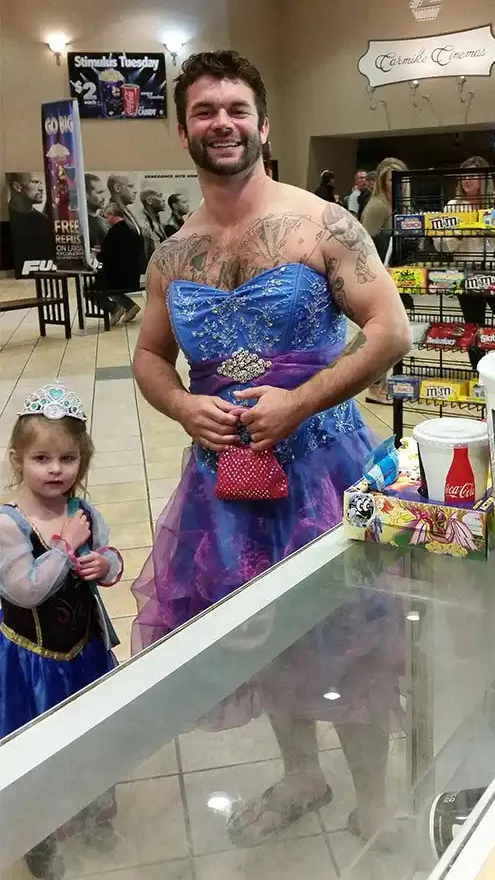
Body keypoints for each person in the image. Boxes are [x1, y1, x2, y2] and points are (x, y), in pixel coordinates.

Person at [130, 49, 410, 843]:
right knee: (265, 634)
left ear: (263, 125)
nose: (221, 122)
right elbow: (148, 356)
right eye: (204, 110)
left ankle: (374, 798)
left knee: (351, 635)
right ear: (183, 130)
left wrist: (301, 401)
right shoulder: (172, 253)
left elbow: (389, 330)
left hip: (323, 466)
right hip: (224, 482)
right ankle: (301, 772)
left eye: (236, 109)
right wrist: (183, 404)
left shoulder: (322, 223)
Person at [0, 383, 123, 877]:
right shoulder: (9, 525)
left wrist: (105, 564)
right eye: (41, 459)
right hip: (32, 661)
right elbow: (24, 591)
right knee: (41, 744)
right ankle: (40, 833)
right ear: (18, 460)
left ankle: (91, 813)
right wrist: (65, 547)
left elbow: (110, 558)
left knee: (89, 734)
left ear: (82, 460)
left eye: (68, 458)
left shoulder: (84, 513)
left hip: (85, 652)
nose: (56, 470)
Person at [433, 156, 495, 366]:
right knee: (473, 328)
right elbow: (440, 245)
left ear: (485, 178)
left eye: (472, 175)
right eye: (463, 176)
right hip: (466, 277)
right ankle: (478, 370)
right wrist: (458, 236)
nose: (467, 180)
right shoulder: (453, 207)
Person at [361, 158, 411, 405]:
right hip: (378, 278)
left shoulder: (401, 206)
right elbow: (363, 243)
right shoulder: (378, 206)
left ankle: (383, 383)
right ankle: (375, 386)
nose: (398, 184)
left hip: (397, 276)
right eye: (392, 179)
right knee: (381, 334)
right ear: (383, 181)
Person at [97, 214, 144, 322]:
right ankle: (129, 306)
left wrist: (98, 254)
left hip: (120, 278)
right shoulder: (132, 230)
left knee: (90, 288)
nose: (106, 219)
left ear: (113, 215)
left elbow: (105, 257)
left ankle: (114, 308)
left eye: (107, 216)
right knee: (106, 284)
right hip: (133, 276)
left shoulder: (113, 233)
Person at [7, 173, 55, 278]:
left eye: (40, 183)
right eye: (35, 182)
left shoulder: (45, 222)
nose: (41, 188)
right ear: (17, 187)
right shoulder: (5, 219)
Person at [139, 185, 168, 261]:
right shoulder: (143, 225)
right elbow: (144, 257)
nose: (164, 199)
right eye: (159, 196)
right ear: (149, 200)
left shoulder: (158, 222)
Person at [85, 174, 109, 251]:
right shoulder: (80, 225)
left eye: (103, 192)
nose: (104, 197)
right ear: (85, 195)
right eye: (99, 192)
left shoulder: (104, 222)